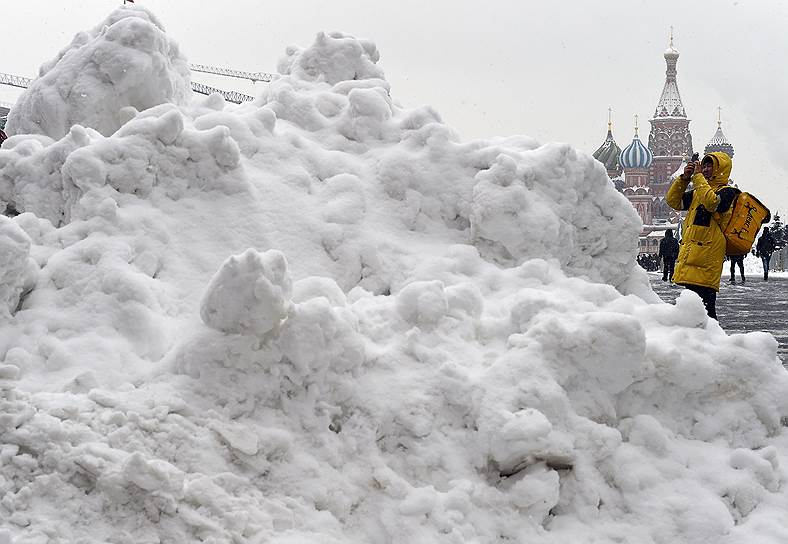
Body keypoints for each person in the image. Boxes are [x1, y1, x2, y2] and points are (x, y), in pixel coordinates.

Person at [666, 152, 738, 319]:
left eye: (709, 166)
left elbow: (712, 203)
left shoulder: (728, 192)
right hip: (693, 256)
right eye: (703, 166)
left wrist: (698, 177)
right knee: (693, 309)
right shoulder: (699, 192)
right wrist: (684, 178)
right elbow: (673, 201)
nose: (705, 169)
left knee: (706, 309)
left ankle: (713, 341)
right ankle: (699, 341)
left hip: (707, 258)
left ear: (720, 169)